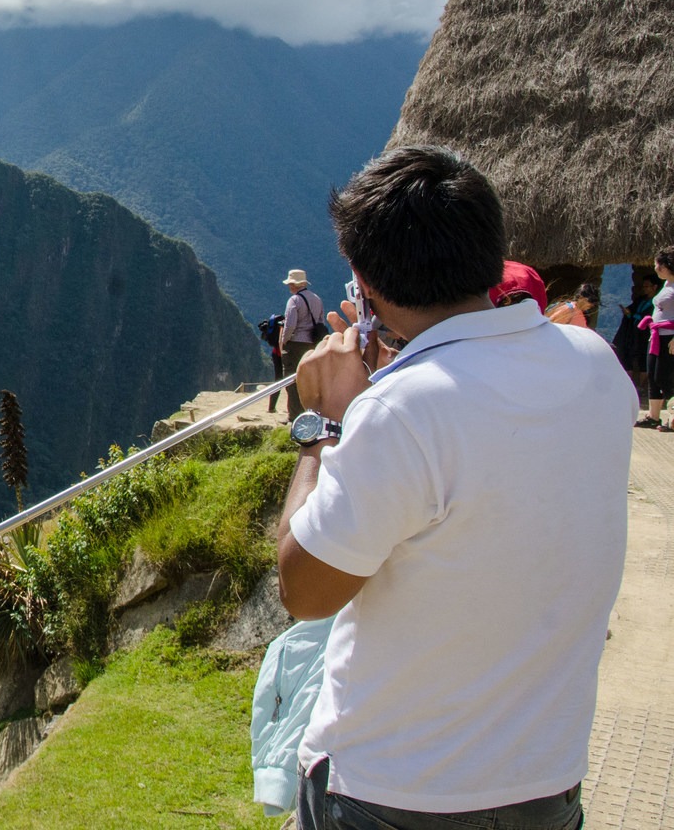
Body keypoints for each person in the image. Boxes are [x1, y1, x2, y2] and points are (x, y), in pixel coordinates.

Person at [278, 145, 633, 829]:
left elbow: (305, 593)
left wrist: (324, 426)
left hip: (394, 789)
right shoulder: (595, 367)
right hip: (543, 783)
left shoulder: (398, 414)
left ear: (362, 282)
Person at [636, 249, 674, 430]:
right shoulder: (666, 284)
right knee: (652, 374)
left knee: (664, 377)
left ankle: (672, 416)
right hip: (657, 336)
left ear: (668, 266)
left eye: (658, 264)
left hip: (670, 338)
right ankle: (653, 416)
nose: (655, 267)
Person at [279, 269, 324, 418]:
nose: (289, 287)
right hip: (312, 344)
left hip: (296, 344)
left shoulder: (294, 300)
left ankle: (294, 415)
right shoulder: (317, 299)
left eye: (290, 284)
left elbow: (290, 324)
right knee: (308, 379)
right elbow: (320, 321)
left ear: (294, 285)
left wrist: (284, 341)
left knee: (292, 380)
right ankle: (310, 411)